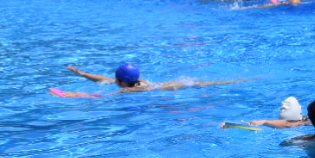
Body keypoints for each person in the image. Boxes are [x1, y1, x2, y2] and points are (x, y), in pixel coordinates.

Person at [64, 62, 246, 93]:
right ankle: (241, 80)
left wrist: (80, 96)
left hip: (179, 86)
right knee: (212, 83)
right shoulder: (134, 82)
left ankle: (242, 80)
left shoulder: (130, 89)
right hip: (177, 83)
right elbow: (104, 79)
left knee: (213, 84)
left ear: (121, 80)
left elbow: (110, 95)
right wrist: (82, 74)